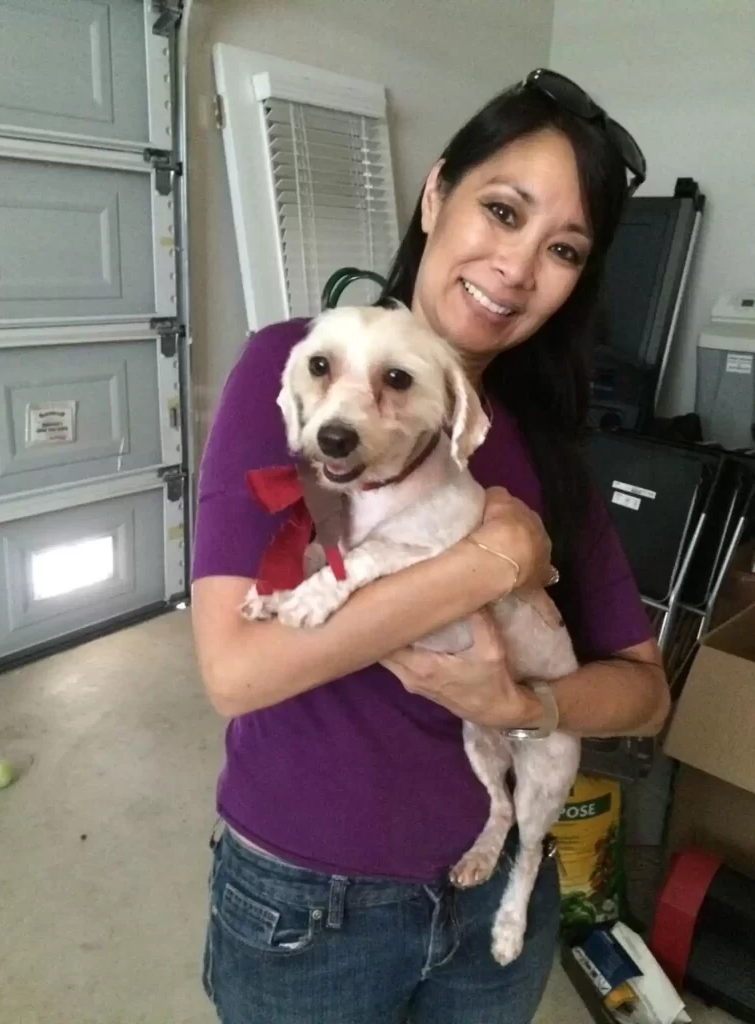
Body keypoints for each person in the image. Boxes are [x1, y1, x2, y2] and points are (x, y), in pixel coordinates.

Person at [192, 68, 670, 1024]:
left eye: (563, 249)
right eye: (502, 210)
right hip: (307, 904)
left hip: (496, 907)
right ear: (436, 192)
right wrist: (489, 564)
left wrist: (525, 703)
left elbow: (646, 695)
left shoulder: (546, 451)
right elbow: (236, 673)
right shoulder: (296, 368)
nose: (517, 267)